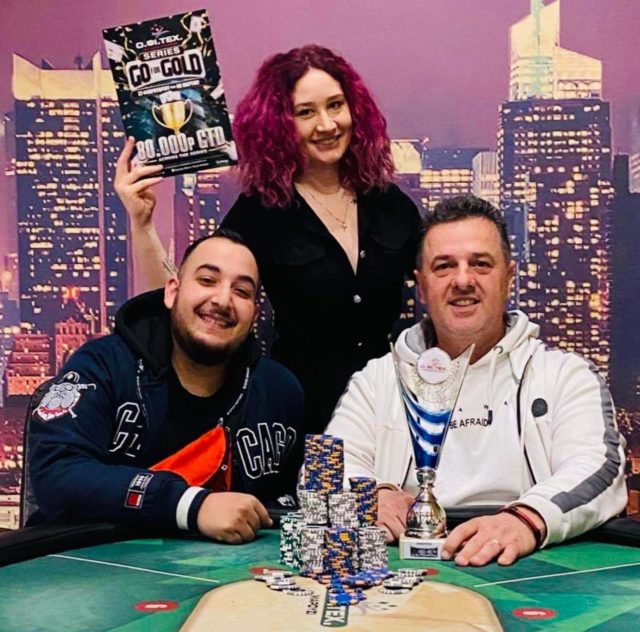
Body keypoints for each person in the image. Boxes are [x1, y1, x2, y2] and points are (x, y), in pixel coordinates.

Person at [115, 44, 422, 435]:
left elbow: (441, 282)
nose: (327, 124)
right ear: (279, 124)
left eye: (335, 105)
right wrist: (142, 224)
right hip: (305, 422)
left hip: (392, 417)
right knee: (321, 479)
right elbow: (184, 307)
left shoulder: (391, 204)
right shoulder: (258, 214)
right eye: (305, 112)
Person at [325, 195, 628, 566]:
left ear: (509, 278)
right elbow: (328, 467)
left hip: (522, 564)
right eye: (444, 267)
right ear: (422, 286)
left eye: (481, 264)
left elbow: (599, 470)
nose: (463, 280)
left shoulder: (565, 376)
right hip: (402, 572)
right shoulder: (377, 380)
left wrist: (526, 520)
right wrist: (372, 495)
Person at [27, 230, 304, 544]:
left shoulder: (281, 391)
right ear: (172, 291)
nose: (222, 300)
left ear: (254, 313)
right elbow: (56, 475)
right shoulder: (101, 366)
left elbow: (289, 504)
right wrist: (191, 505)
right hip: (91, 561)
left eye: (241, 291)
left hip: (228, 568)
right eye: (207, 280)